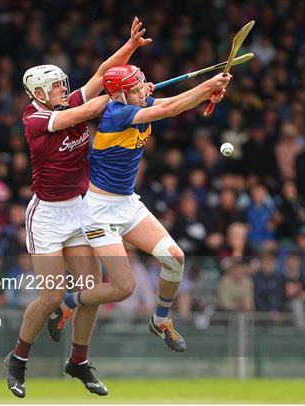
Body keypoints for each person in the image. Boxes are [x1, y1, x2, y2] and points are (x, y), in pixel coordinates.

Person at [5, 17, 152, 399]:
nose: (63, 88)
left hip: (81, 209)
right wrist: (125, 94)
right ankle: (18, 359)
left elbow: (103, 74)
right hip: (49, 216)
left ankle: (79, 361)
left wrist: (130, 48)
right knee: (52, 296)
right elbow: (85, 112)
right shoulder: (36, 119)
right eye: (54, 85)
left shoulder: (70, 100)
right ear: (37, 91)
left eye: (61, 82)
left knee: (90, 289)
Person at [47, 64, 230, 352]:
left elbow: (171, 103)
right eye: (135, 88)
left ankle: (160, 320)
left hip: (128, 203)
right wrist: (207, 88)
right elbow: (169, 110)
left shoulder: (136, 103)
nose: (142, 90)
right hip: (98, 212)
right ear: (119, 95)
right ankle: (68, 301)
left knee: (174, 258)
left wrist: (206, 94)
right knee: (123, 288)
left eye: (141, 84)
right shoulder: (119, 114)